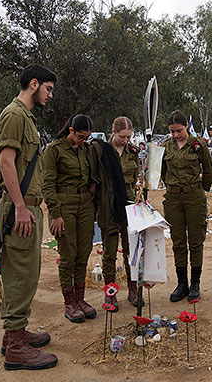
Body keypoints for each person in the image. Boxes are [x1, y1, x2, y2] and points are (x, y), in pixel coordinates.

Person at [0, 64, 58, 370]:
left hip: (29, 206)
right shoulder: (14, 115)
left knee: (25, 271)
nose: (50, 95)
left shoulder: (25, 118)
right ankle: (17, 348)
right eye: (48, 88)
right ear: (34, 84)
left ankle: (13, 336)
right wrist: (20, 207)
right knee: (21, 273)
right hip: (21, 207)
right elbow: (6, 162)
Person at [42, 114, 96, 323]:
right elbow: (47, 184)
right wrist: (55, 214)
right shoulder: (54, 151)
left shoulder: (86, 150)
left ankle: (80, 299)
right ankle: (69, 302)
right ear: (71, 131)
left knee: (84, 252)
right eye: (81, 137)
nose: (84, 140)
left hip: (85, 204)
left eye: (87, 138)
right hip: (64, 206)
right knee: (68, 255)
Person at [89, 116, 141, 310]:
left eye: (128, 137)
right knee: (109, 252)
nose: (125, 141)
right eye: (122, 137)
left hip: (128, 207)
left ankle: (133, 289)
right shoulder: (102, 151)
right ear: (113, 133)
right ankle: (110, 292)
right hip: (108, 206)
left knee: (131, 251)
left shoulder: (133, 152)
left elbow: (135, 179)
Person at [162, 110, 212, 302]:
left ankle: (195, 283)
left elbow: (209, 170)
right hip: (174, 198)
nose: (175, 135)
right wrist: (171, 187)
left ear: (186, 127)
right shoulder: (166, 147)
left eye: (179, 131)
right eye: (172, 131)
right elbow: (163, 172)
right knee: (178, 242)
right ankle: (181, 283)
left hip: (194, 197)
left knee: (196, 240)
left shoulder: (198, 145)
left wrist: (201, 189)